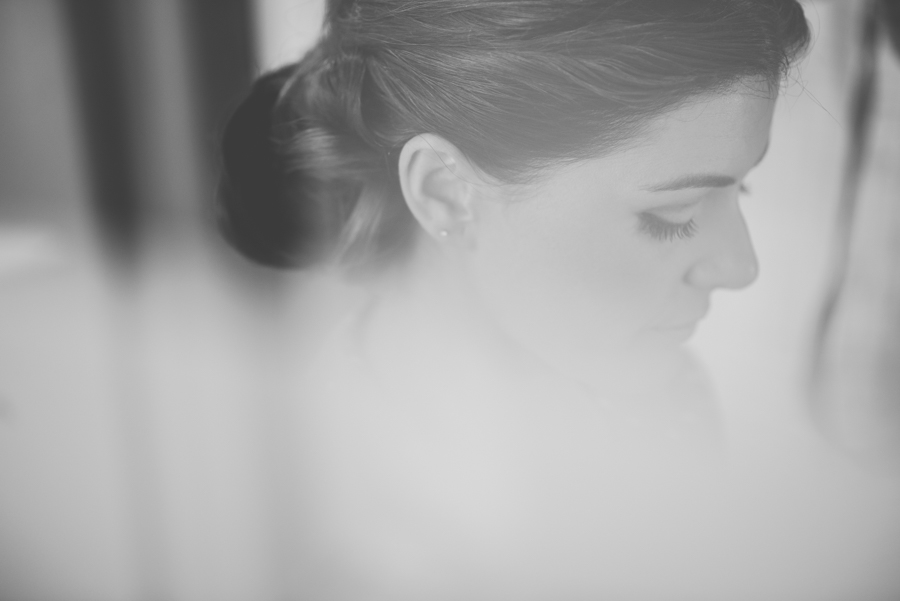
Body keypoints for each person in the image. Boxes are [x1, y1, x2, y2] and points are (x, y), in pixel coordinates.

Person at [220, 1, 814, 598]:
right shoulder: (343, 534)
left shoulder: (660, 397)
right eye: (673, 215)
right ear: (447, 192)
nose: (742, 267)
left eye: (741, 188)